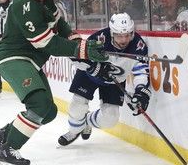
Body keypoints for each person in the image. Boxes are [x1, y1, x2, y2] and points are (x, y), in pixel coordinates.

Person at [0, 0, 108, 165]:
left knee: (49, 112)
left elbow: (58, 23)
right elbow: (46, 43)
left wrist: (76, 40)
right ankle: (8, 148)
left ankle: (1, 136)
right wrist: (82, 49)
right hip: (13, 58)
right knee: (39, 105)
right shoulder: (23, 6)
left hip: (30, 60)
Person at [58, 12, 151, 146]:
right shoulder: (99, 38)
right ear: (112, 33)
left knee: (110, 119)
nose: (124, 40)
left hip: (115, 81)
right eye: (119, 36)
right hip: (89, 75)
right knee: (77, 104)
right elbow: (75, 55)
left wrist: (140, 90)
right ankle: (74, 130)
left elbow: (141, 71)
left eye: (127, 35)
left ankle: (86, 122)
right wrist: (93, 67)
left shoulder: (138, 46)